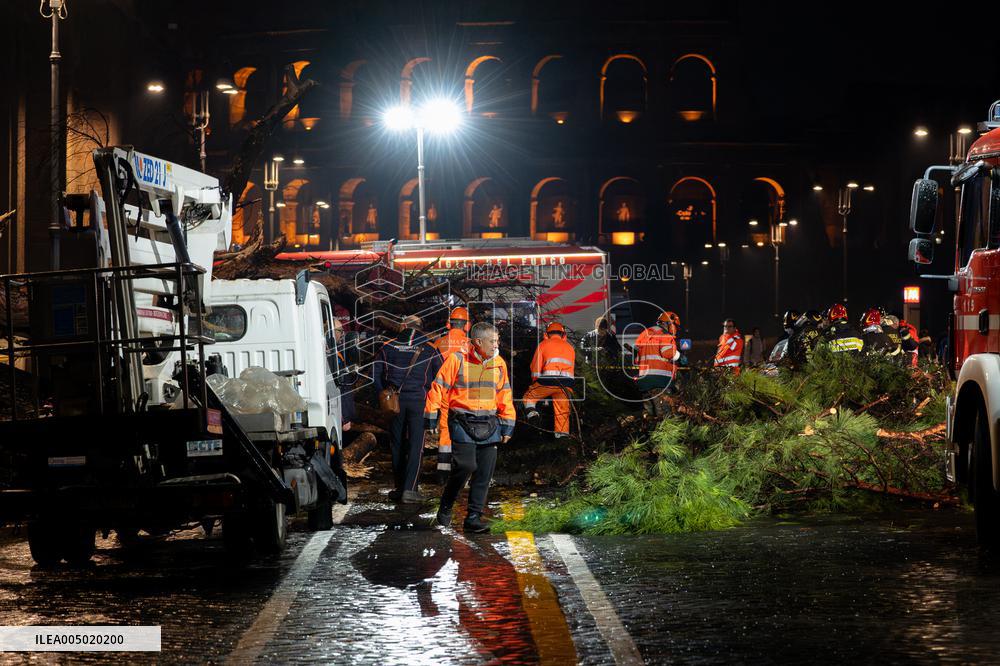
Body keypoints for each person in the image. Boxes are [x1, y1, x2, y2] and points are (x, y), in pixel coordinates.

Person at [425, 322, 515, 533]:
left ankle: (473, 517)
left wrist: (507, 426)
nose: (496, 345)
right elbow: (438, 387)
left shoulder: (499, 363)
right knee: (466, 466)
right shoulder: (457, 360)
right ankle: (447, 503)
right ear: (478, 342)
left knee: (484, 473)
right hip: (462, 421)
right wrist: (430, 417)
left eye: (497, 341)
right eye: (492, 341)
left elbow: (505, 395)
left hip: (490, 423)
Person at [374, 316, 442, 503]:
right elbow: (440, 378)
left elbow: (376, 375)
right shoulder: (431, 348)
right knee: (415, 445)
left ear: (403, 326)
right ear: (421, 328)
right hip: (419, 402)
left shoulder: (387, 347)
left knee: (396, 444)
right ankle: (410, 489)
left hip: (394, 402)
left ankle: (398, 487)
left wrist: (383, 394)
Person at [433, 307, 472, 474]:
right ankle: (463, 469)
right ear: (467, 326)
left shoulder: (438, 343)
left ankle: (443, 472)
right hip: (464, 394)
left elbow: (431, 370)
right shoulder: (472, 345)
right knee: (467, 429)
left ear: (448, 324)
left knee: (445, 431)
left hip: (443, 392)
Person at [523, 321, 576, 439]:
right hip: (567, 384)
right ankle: (562, 438)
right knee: (562, 411)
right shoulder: (570, 347)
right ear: (563, 334)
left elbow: (535, 368)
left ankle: (533, 415)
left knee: (528, 397)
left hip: (548, 381)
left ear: (547, 334)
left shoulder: (543, 345)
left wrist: (535, 382)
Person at [634, 312, 680, 419]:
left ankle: (648, 433)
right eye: (675, 326)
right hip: (660, 382)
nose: (675, 329)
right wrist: (678, 355)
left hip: (644, 381)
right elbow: (668, 353)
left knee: (648, 416)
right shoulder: (665, 335)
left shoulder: (645, 334)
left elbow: (637, 359)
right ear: (669, 323)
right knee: (664, 417)